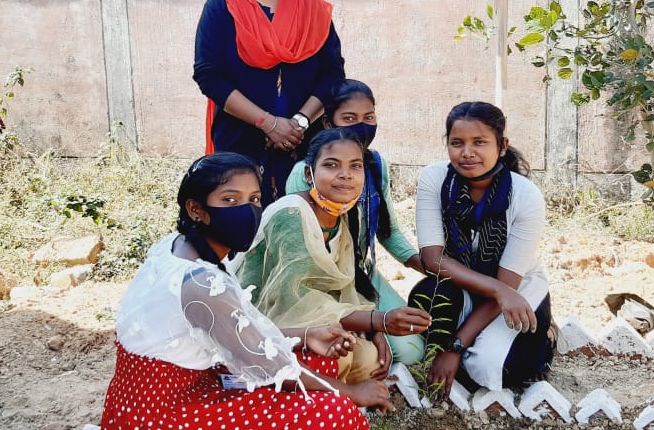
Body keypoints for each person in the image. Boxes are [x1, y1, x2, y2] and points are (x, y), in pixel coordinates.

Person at [57, 153, 390, 430]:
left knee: (318, 364)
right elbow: (269, 366)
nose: (248, 212)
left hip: (140, 411)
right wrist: (349, 392)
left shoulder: (177, 249)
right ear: (196, 209)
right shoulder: (199, 280)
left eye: (253, 200)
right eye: (230, 201)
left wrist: (304, 335)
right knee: (338, 417)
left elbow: (237, 333)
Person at [238, 128, 430, 383]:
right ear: (309, 174)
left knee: (368, 359)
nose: (345, 175)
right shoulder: (292, 214)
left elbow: (345, 287)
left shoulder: (346, 215)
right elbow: (293, 301)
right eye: (331, 165)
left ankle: (333, 398)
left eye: (355, 166)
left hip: (319, 318)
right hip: (264, 323)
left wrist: (373, 329)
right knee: (339, 358)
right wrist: (377, 321)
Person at [193, 0, 345, 204]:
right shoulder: (223, 6)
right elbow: (208, 76)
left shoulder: (312, 10)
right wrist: (268, 123)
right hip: (240, 142)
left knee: (300, 226)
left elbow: (332, 73)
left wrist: (299, 122)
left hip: (303, 145)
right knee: (245, 230)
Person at [410, 101, 555, 397]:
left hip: (516, 291)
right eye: (457, 143)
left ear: (502, 146)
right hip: (463, 283)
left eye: (479, 142)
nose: (467, 153)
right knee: (427, 292)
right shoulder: (435, 179)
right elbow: (432, 259)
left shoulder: (525, 197)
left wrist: (455, 346)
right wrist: (497, 289)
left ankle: (544, 340)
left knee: (486, 368)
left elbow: (507, 284)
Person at [285, 80, 430, 364]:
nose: (361, 127)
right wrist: (369, 325)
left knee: (412, 350)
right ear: (328, 122)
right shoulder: (304, 174)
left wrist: (427, 266)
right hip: (319, 284)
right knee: (355, 353)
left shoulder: (375, 165)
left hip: (362, 275)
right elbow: (303, 263)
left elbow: (388, 232)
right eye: (349, 119)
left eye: (369, 118)